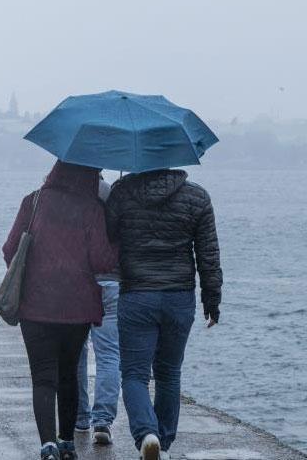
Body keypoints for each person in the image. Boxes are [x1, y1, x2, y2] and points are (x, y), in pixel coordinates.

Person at [1, 161, 117, 460]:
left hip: (35, 306)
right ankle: (67, 442)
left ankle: (47, 445)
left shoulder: (34, 201)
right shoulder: (92, 208)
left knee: (42, 377)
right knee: (68, 374)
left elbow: (9, 249)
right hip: (77, 309)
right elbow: (103, 260)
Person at [106, 169, 222, 460]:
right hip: (178, 297)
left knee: (134, 374)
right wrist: (212, 299)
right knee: (169, 373)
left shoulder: (122, 192)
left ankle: (147, 434)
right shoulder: (197, 197)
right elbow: (208, 255)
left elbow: (108, 237)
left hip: (136, 294)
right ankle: (164, 445)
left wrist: (120, 195)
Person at [75, 176, 121, 447]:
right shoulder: (113, 194)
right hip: (112, 280)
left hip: (78, 282)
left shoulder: (67, 193)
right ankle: (102, 420)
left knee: (76, 353)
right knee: (108, 355)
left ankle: (80, 417)